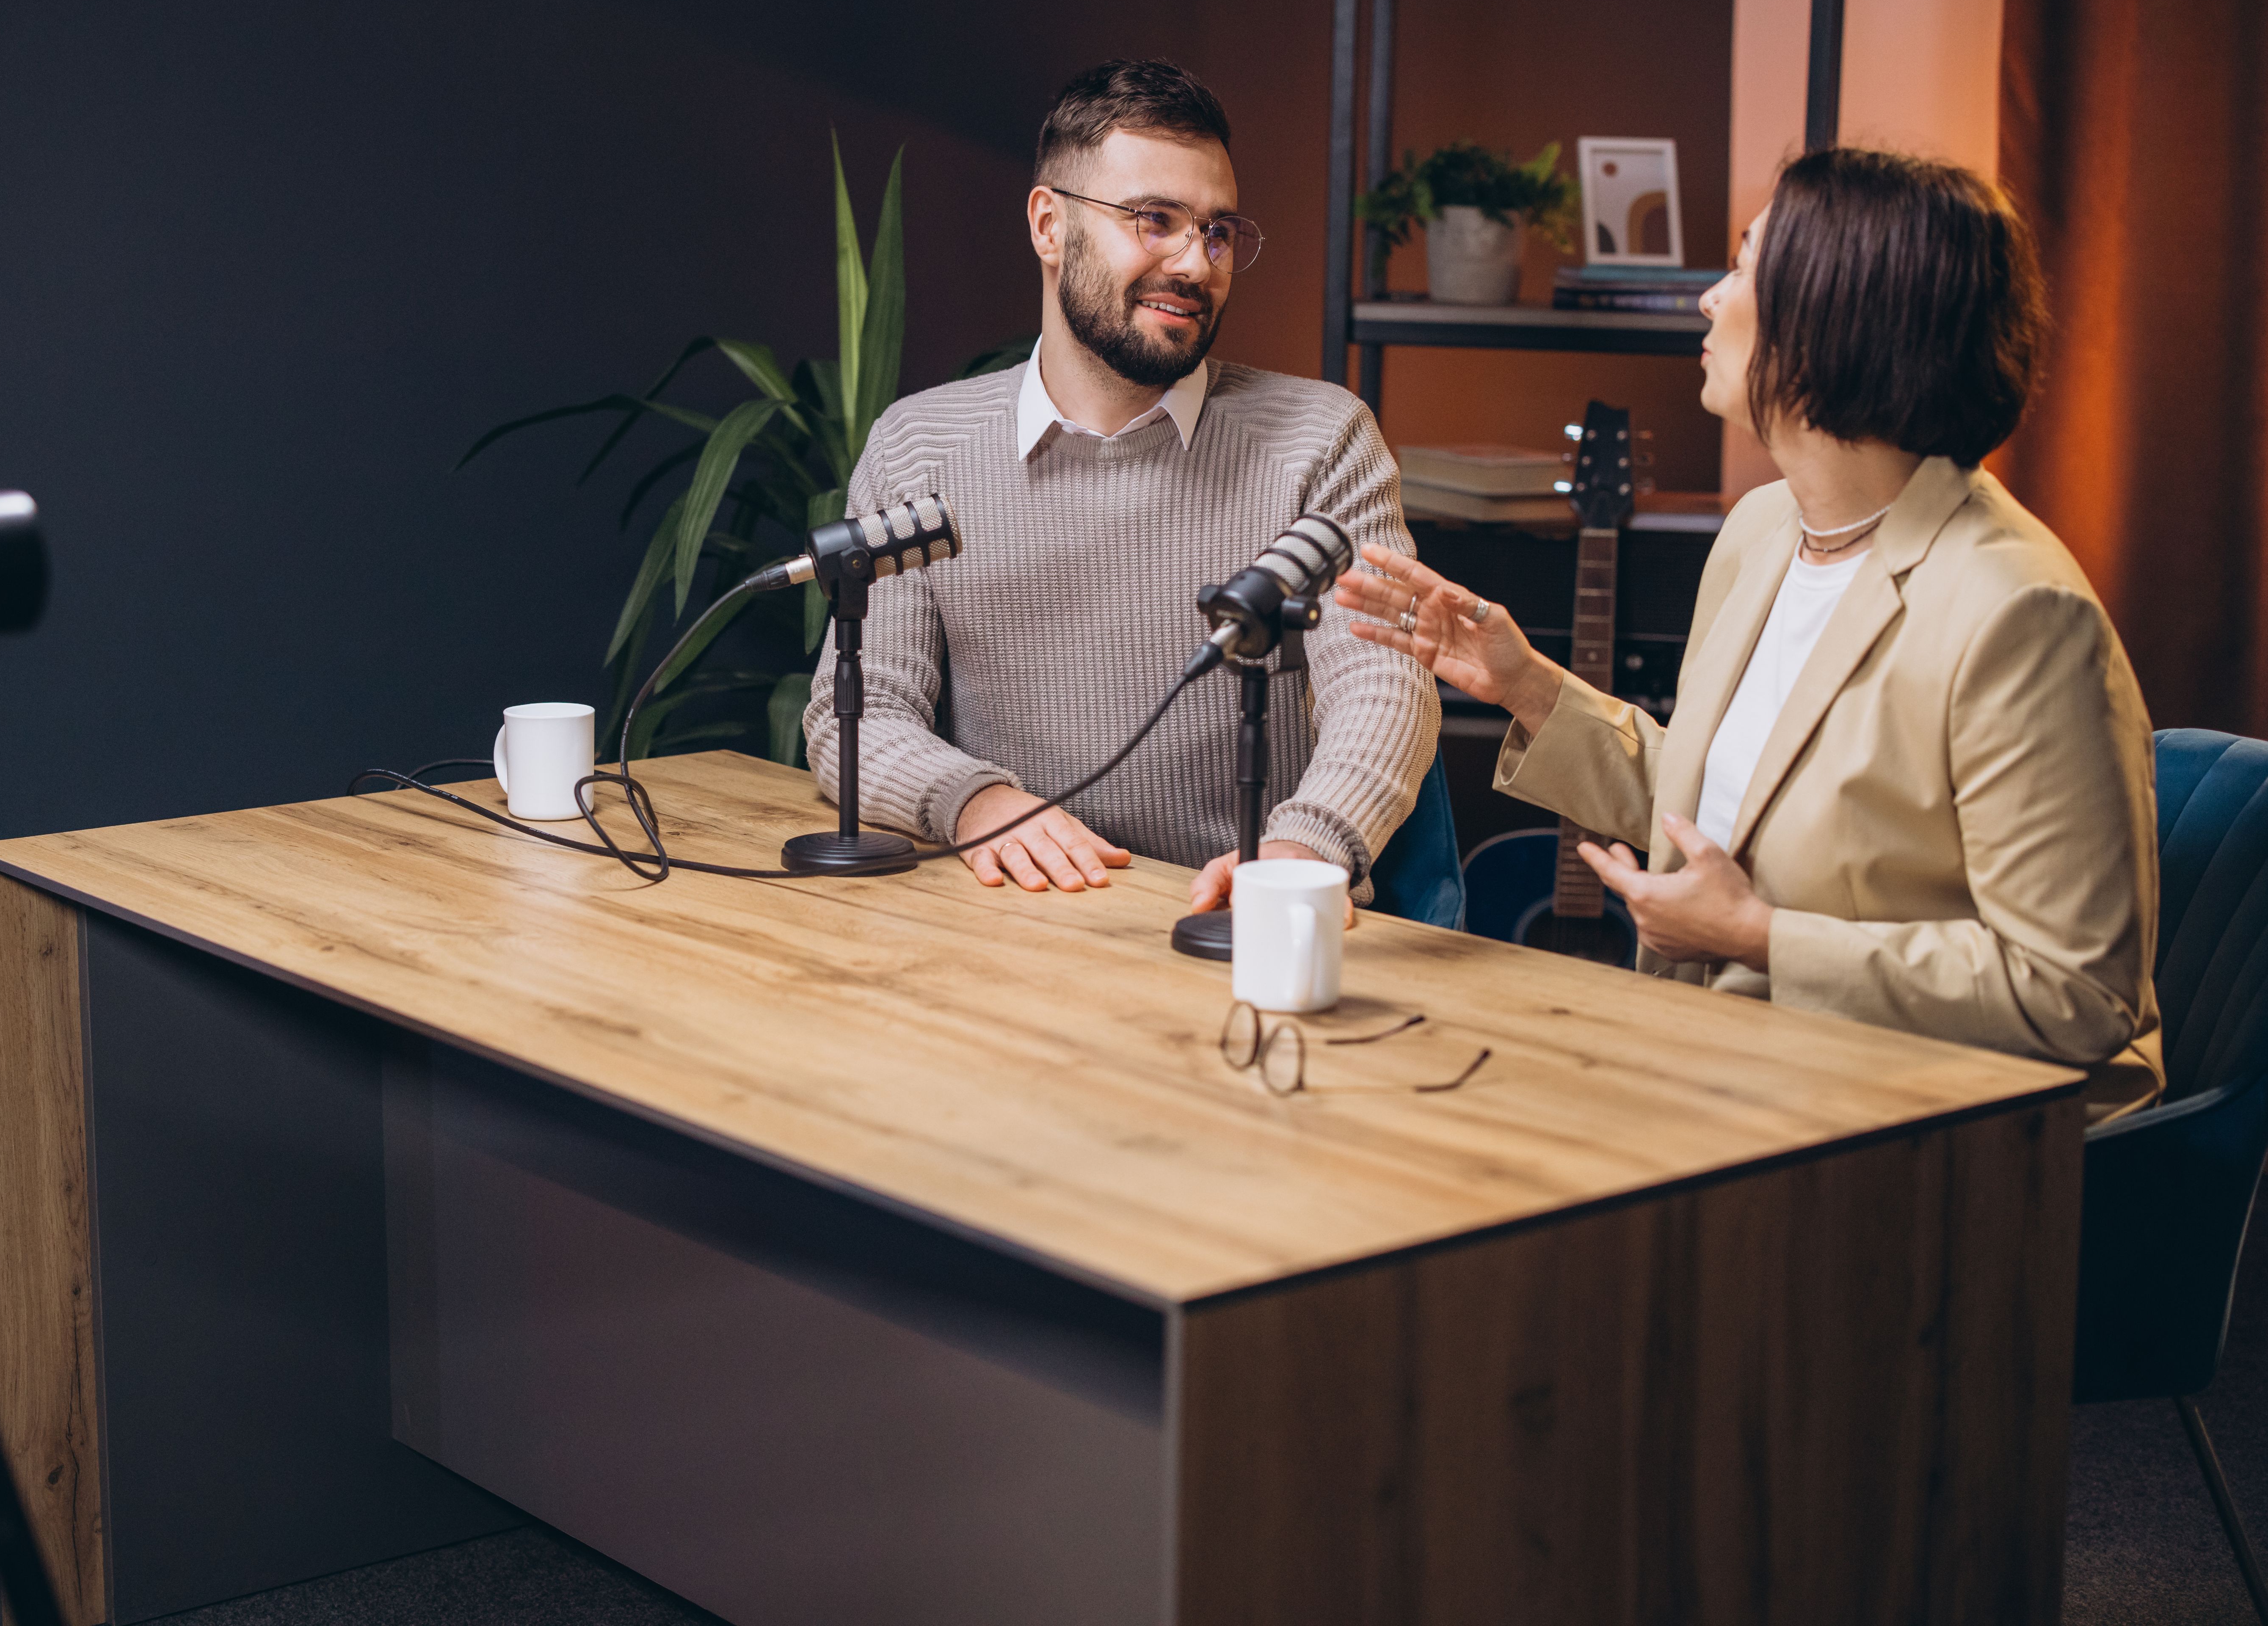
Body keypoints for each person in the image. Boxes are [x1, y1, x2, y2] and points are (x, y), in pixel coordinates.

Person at [1339, 146, 2161, 1115]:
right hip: (1741, 1066)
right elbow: (1723, 815)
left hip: (1938, 1135)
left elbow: (2074, 994)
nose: (1706, 301)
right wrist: (1525, 683)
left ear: (1831, 322)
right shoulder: (1763, 531)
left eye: (1740, 270)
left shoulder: (2019, 615)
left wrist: (1761, 940)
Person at [804, 59, 1436, 912]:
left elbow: (1382, 685)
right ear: (1047, 225)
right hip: (999, 917)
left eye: (1216, 232)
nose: (1196, 262)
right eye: (1154, 221)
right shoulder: (920, 444)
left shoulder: (1321, 439)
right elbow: (857, 711)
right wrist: (975, 804)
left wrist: (1301, 849)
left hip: (1226, 921)